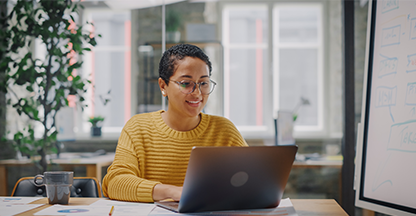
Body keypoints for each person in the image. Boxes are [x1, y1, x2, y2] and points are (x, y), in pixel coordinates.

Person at [102, 44, 247, 203]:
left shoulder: (224, 130)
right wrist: (172, 192)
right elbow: (115, 182)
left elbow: (254, 179)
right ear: (163, 86)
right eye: (186, 83)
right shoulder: (138, 128)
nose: (197, 93)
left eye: (203, 83)